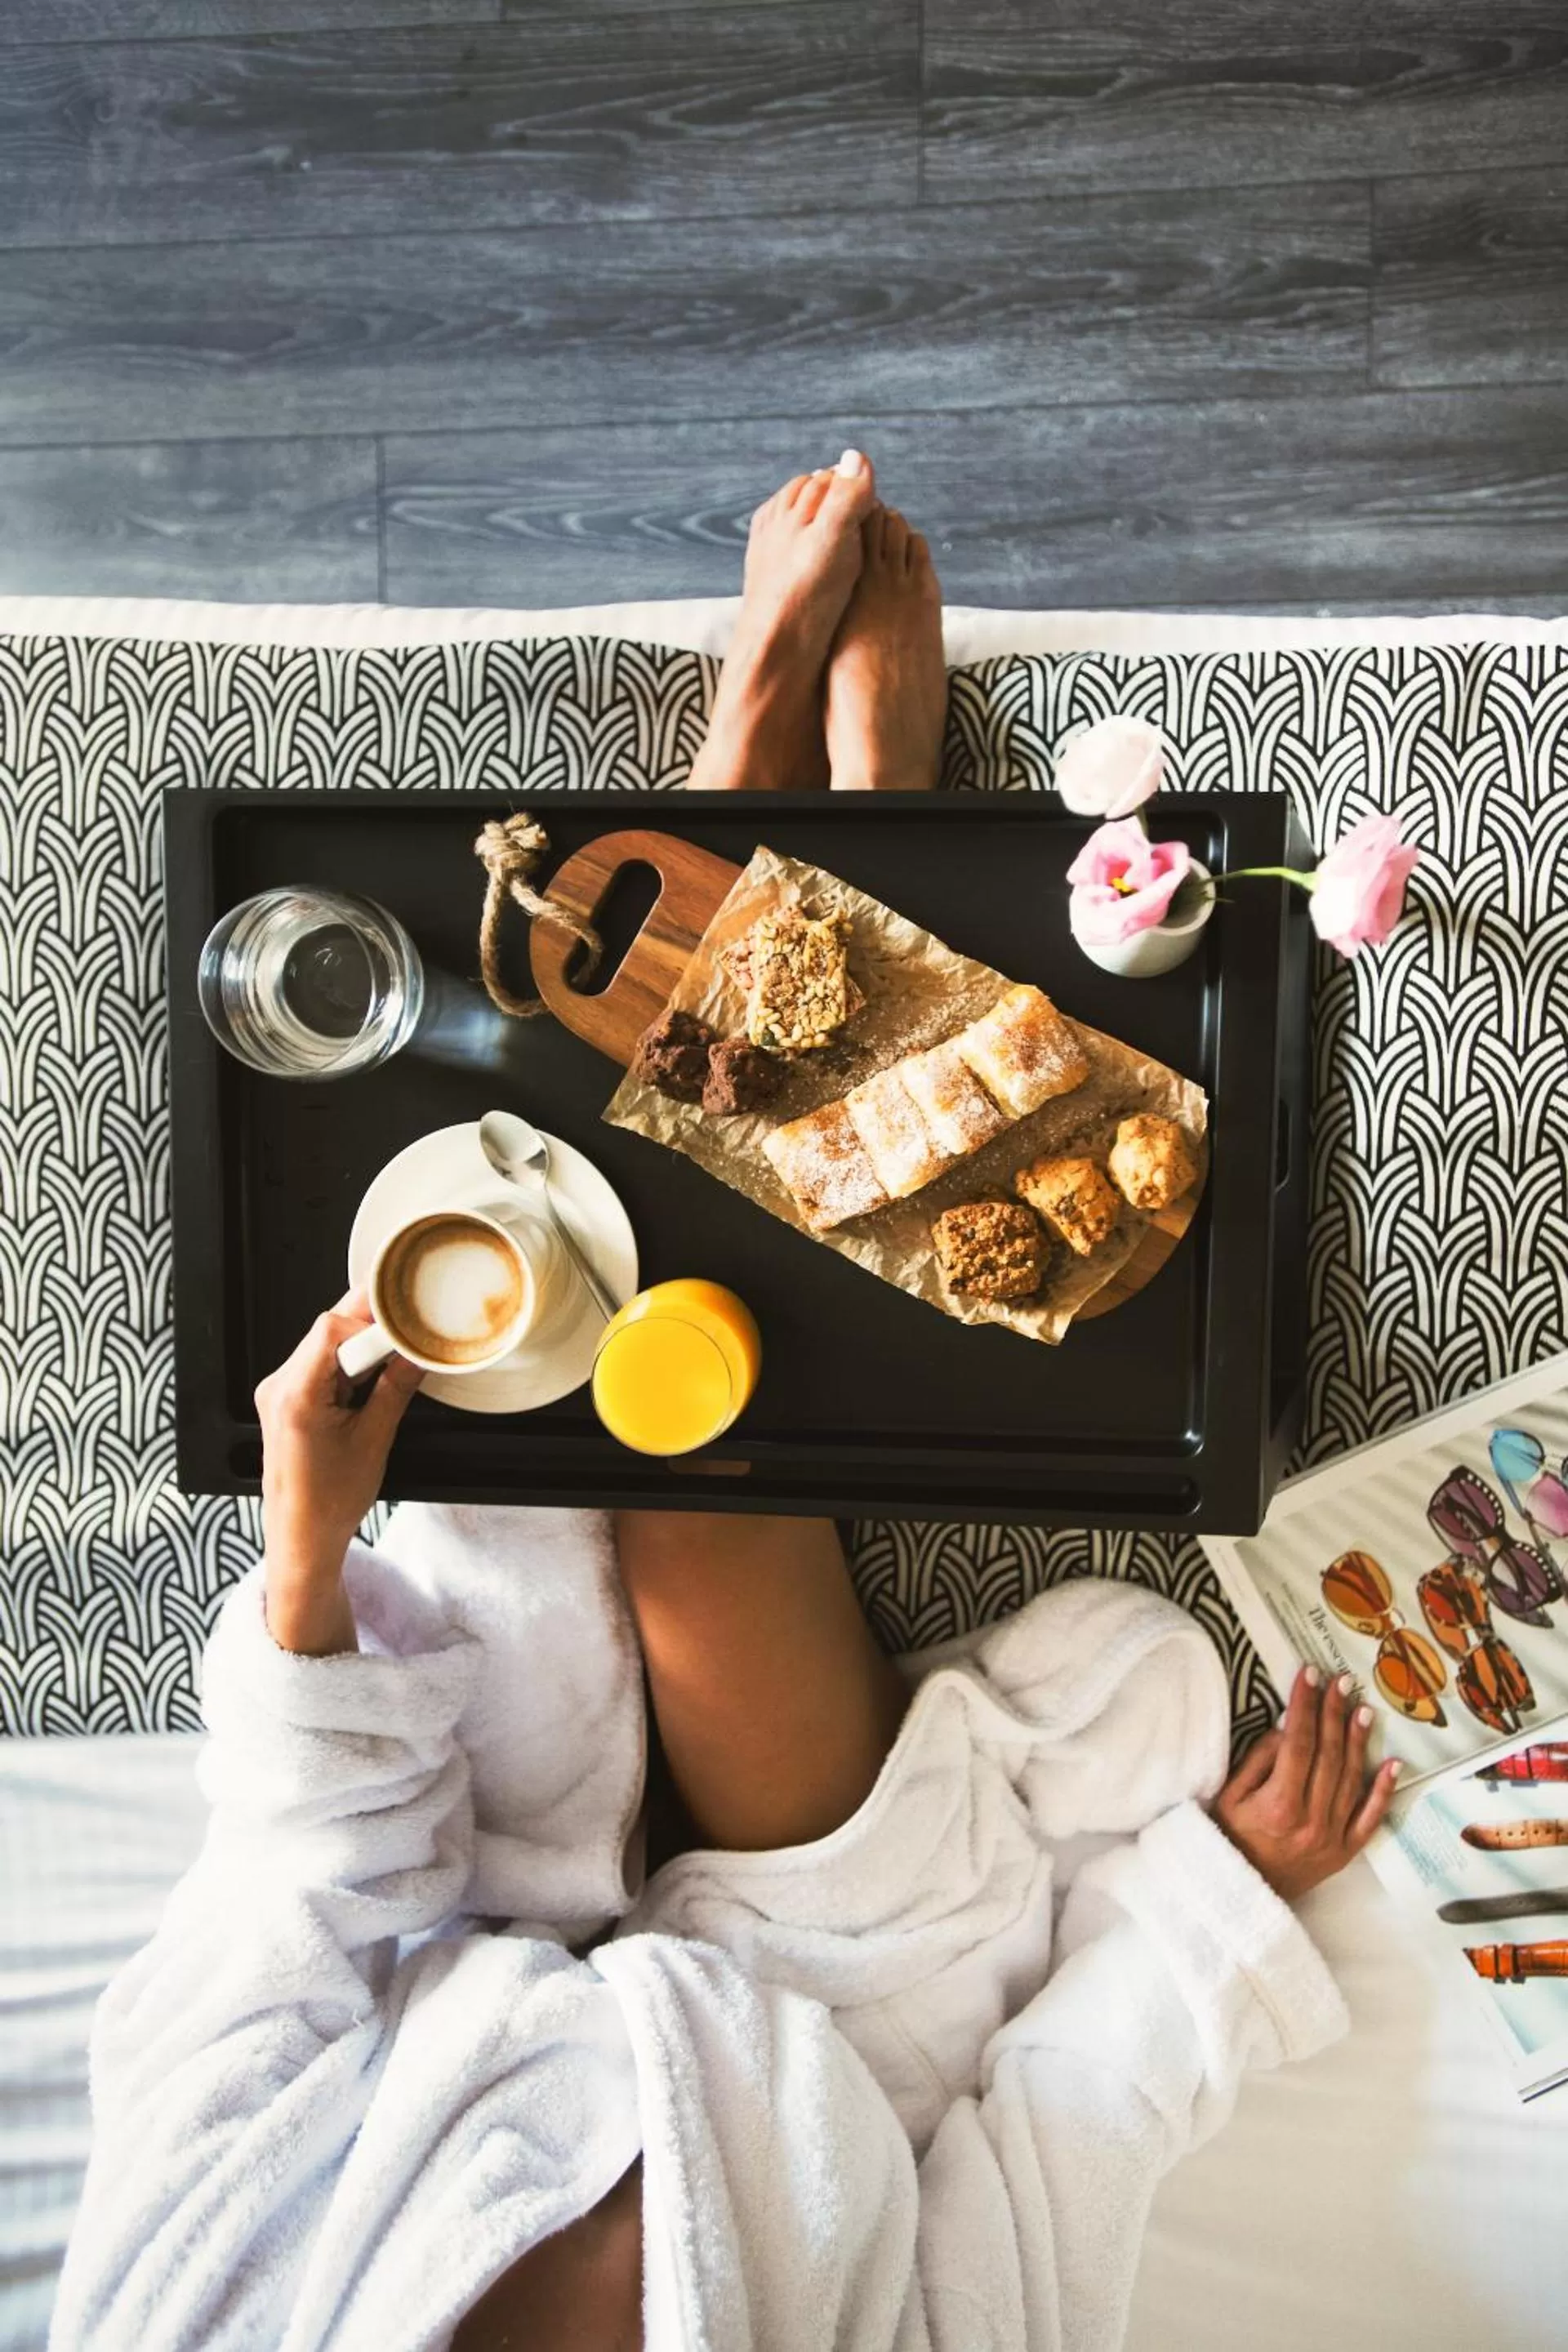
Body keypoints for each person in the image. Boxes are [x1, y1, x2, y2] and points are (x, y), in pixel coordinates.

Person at [53, 453, 1398, 2352]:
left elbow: (273, 1929)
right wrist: (1216, 1921)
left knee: (553, 1377)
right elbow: (1026, 2197)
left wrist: (303, 1550)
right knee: (704, 1437)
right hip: (802, 2030)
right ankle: (849, 849)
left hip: (474, 1929)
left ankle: (746, 768)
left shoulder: (185, 2316)